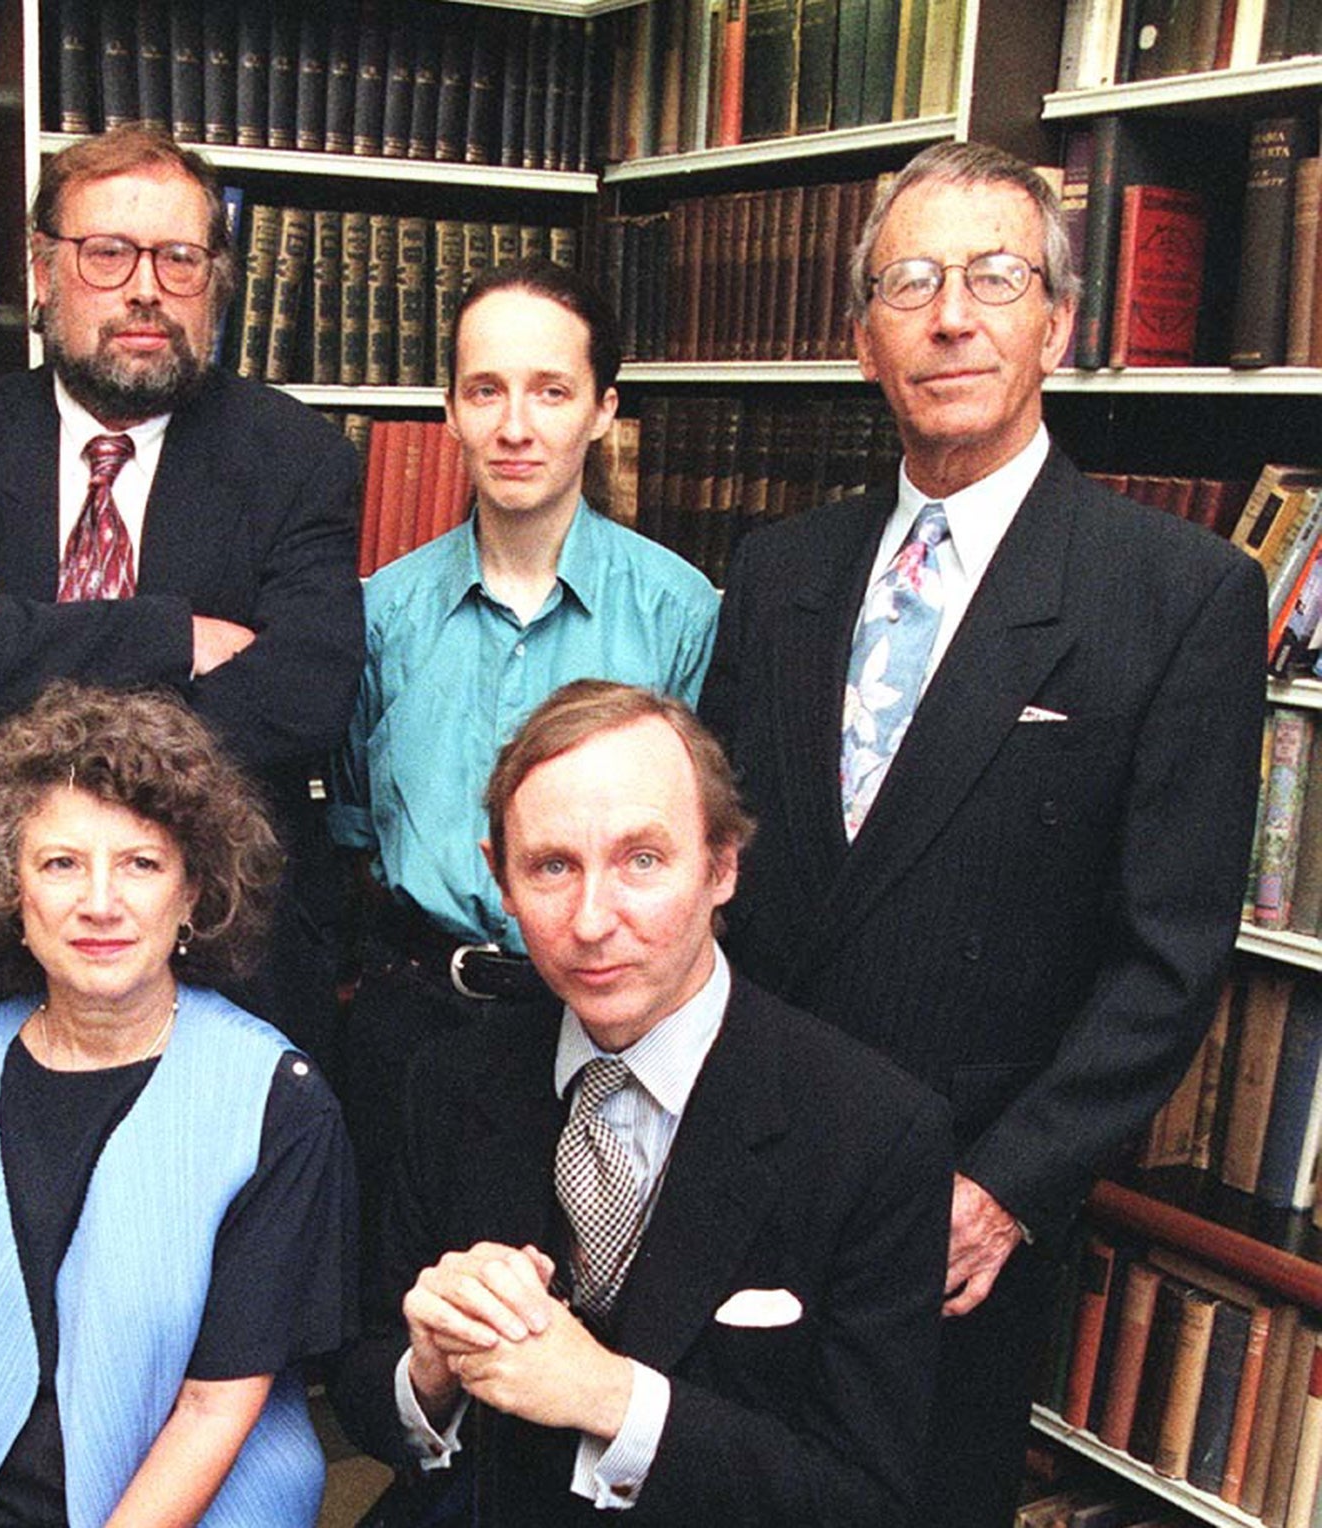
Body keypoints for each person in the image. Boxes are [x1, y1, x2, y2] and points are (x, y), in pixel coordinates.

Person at [698, 140, 1267, 1528]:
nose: (951, 315)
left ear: (1058, 326)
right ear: (861, 339)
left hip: (962, 1221)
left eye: (995, 277)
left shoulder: (1179, 594)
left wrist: (1007, 1188)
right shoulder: (777, 574)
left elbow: (1170, 955)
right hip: (741, 1175)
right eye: (910, 281)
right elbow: (725, 877)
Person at [332, 680, 952, 1526]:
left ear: (722, 865)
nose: (592, 920)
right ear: (500, 882)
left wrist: (615, 1399)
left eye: (642, 861)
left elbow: (863, 1503)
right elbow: (363, 1390)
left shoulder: (873, 1133)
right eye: (553, 866)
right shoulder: (449, 1081)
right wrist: (428, 1373)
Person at [0, 124, 362, 1063]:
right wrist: (173, 636)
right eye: (108, 254)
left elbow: (306, 690)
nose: (144, 287)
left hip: (228, 957)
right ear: (45, 270)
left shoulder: (297, 459)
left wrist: (14, 635)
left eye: (178, 258)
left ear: (215, 280)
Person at [0, 680, 356, 1528]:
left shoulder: (275, 1105)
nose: (99, 903)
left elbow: (215, 1409)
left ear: (190, 894)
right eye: (61, 863)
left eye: (140, 864)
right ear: (11, 890)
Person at [330, 258, 717, 1207]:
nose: (514, 426)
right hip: (411, 1021)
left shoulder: (680, 612)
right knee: (403, 1316)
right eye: (485, 390)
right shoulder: (382, 614)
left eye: (551, 392)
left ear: (602, 411)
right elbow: (350, 830)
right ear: (450, 413)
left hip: (603, 1029)